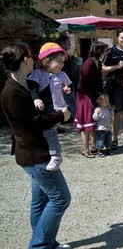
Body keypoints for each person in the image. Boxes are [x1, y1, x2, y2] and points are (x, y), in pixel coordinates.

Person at [1, 42, 71, 249]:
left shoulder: (21, 84)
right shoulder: (13, 91)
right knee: (61, 198)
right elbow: (34, 123)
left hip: (34, 152)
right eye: (31, 56)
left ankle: (46, 242)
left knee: (40, 201)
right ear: (25, 60)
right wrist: (61, 115)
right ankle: (39, 245)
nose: (34, 59)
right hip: (34, 154)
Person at [26, 42, 70, 171]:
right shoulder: (38, 73)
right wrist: (36, 98)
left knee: (50, 131)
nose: (62, 65)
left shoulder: (61, 75)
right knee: (45, 131)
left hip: (58, 109)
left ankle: (56, 155)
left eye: (63, 62)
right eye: (59, 62)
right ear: (47, 60)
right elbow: (32, 87)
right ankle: (48, 153)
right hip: (45, 109)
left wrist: (68, 89)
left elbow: (70, 85)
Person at [101, 28, 123, 150]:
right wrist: (117, 66)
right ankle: (115, 139)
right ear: (117, 38)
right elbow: (103, 68)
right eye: (122, 38)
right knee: (116, 114)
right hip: (115, 87)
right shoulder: (111, 52)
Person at [75, 41, 108, 158]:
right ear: (99, 51)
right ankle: (85, 149)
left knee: (95, 122)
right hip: (85, 96)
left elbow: (98, 81)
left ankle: (94, 147)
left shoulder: (98, 63)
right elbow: (84, 84)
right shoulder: (88, 64)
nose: (105, 53)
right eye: (104, 51)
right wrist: (94, 97)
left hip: (93, 95)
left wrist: (101, 94)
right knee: (86, 124)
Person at [58, 34, 76, 120]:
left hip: (66, 81)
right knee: (71, 102)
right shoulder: (61, 54)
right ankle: (78, 120)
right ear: (62, 43)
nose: (70, 44)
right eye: (68, 42)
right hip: (65, 82)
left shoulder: (64, 53)